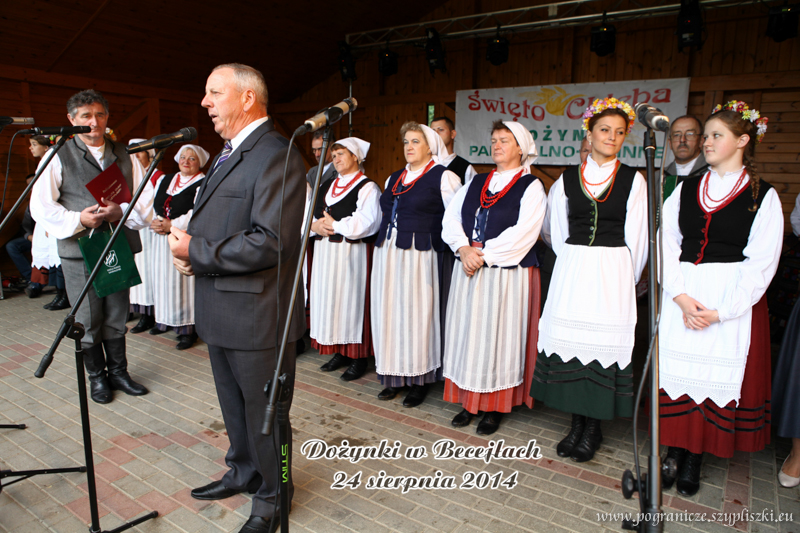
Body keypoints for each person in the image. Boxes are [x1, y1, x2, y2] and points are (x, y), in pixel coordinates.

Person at [168, 63, 305, 533]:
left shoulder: (277, 155)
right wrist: (193, 256)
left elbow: (271, 242)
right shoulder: (229, 153)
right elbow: (226, 223)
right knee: (234, 406)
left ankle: (274, 497)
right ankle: (244, 470)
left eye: (214, 93)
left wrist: (198, 250)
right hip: (221, 308)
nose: (205, 103)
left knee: (267, 414)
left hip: (258, 316)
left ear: (247, 98)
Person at [658, 101, 782, 496]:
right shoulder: (687, 188)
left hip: (729, 299)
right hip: (685, 291)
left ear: (742, 140)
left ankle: (697, 456)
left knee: (713, 376)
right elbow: (667, 241)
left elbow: (762, 260)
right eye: (705, 135)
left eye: (715, 135)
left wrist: (721, 311)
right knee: (679, 375)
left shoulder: (763, 195)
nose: (706, 142)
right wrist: (678, 294)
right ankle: (674, 449)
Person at [532, 98, 647, 463]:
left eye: (618, 131)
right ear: (590, 133)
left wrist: (625, 281)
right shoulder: (567, 178)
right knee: (574, 342)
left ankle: (593, 428)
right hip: (574, 266)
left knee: (601, 345)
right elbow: (556, 231)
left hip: (613, 270)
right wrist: (572, 267)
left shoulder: (634, 179)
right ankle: (575, 423)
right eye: (604, 130)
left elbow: (639, 238)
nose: (611, 137)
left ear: (625, 137)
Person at [30, 89, 153, 404]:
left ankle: (120, 373)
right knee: (87, 316)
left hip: (117, 247)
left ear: (107, 117)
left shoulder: (124, 154)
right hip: (80, 249)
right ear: (72, 120)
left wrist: (120, 212)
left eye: (99, 114)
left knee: (116, 314)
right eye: (85, 116)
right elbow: (41, 207)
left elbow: (145, 203)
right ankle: (97, 379)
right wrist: (79, 218)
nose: (93, 121)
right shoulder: (57, 155)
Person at [441, 121, 546, 435]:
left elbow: (524, 233)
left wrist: (481, 254)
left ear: (521, 148)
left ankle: (493, 406)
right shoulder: (477, 182)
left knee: (498, 339)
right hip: (471, 269)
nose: (497, 145)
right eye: (495, 139)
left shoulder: (532, 186)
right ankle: (468, 400)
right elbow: (452, 217)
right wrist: (462, 248)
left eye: (505, 140)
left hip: (506, 275)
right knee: (469, 336)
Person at [371, 121, 461, 407]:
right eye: (406, 142)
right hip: (389, 255)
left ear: (430, 146)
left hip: (420, 256)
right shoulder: (393, 178)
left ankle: (420, 379)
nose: (409, 147)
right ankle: (393, 374)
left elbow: (456, 219)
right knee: (390, 314)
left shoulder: (444, 177)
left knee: (417, 316)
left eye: (416, 142)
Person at [308, 137, 380, 381]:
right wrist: (315, 227)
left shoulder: (367, 187)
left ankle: (358, 357)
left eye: (342, 154)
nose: (336, 159)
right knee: (331, 301)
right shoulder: (325, 185)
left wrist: (336, 224)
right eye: (334, 154)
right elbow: (307, 215)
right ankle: (339, 351)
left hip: (350, 254)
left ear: (356, 157)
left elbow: (369, 222)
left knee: (351, 302)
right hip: (325, 254)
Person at [149, 145, 208, 350]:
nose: (186, 161)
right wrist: (156, 222)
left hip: (182, 236)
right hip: (161, 239)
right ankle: (164, 319)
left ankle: (187, 330)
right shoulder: (166, 180)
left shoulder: (203, 182)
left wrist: (172, 225)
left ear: (199, 162)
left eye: (192, 158)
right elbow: (154, 204)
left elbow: (198, 213)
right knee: (162, 281)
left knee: (181, 285)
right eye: (183, 157)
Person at [128, 139, 164, 333]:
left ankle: (151, 314)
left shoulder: (158, 177)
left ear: (149, 155)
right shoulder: (131, 174)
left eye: (139, 152)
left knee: (150, 275)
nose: (135, 156)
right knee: (138, 273)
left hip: (151, 231)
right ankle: (141, 312)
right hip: (135, 228)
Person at [6, 175, 38, 295]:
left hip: (52, 239)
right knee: (12, 246)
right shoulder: (29, 205)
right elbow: (23, 227)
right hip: (34, 239)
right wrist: (29, 236)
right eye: (29, 186)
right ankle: (32, 279)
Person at [662, 115, 707, 200]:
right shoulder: (660, 176)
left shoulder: (713, 173)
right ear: (670, 143)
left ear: (701, 140)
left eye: (689, 134)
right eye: (676, 135)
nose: (682, 140)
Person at [430, 116, 477, 184]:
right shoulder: (424, 164)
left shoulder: (465, 168)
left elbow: (473, 193)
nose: (436, 134)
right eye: (433, 131)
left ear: (452, 134)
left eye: (440, 130)